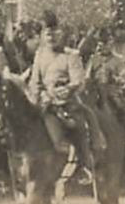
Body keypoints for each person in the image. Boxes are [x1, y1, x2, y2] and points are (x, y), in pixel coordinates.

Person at [30, 22, 101, 167]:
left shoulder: (71, 55)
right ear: (43, 36)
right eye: (48, 34)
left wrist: (68, 89)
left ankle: (83, 164)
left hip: (67, 103)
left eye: (55, 34)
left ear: (61, 35)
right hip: (45, 103)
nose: (52, 38)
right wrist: (36, 95)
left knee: (79, 127)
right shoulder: (40, 56)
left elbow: (78, 81)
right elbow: (35, 82)